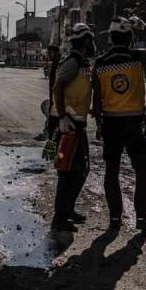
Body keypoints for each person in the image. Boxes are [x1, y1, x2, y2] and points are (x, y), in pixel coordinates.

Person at [93, 16, 146, 233]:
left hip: (110, 124)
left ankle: (115, 219)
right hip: (136, 123)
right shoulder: (137, 57)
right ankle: (142, 219)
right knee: (142, 171)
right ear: (129, 37)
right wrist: (145, 27)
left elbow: (96, 98)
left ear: (110, 38)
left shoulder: (100, 63)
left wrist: (98, 124)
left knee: (111, 171)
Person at [50, 24, 96, 232]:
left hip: (75, 123)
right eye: (91, 40)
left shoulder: (82, 62)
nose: (93, 44)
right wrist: (61, 117)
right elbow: (57, 87)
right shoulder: (73, 62)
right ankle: (60, 217)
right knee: (69, 171)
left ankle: (67, 210)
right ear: (86, 40)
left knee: (78, 169)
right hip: (68, 123)